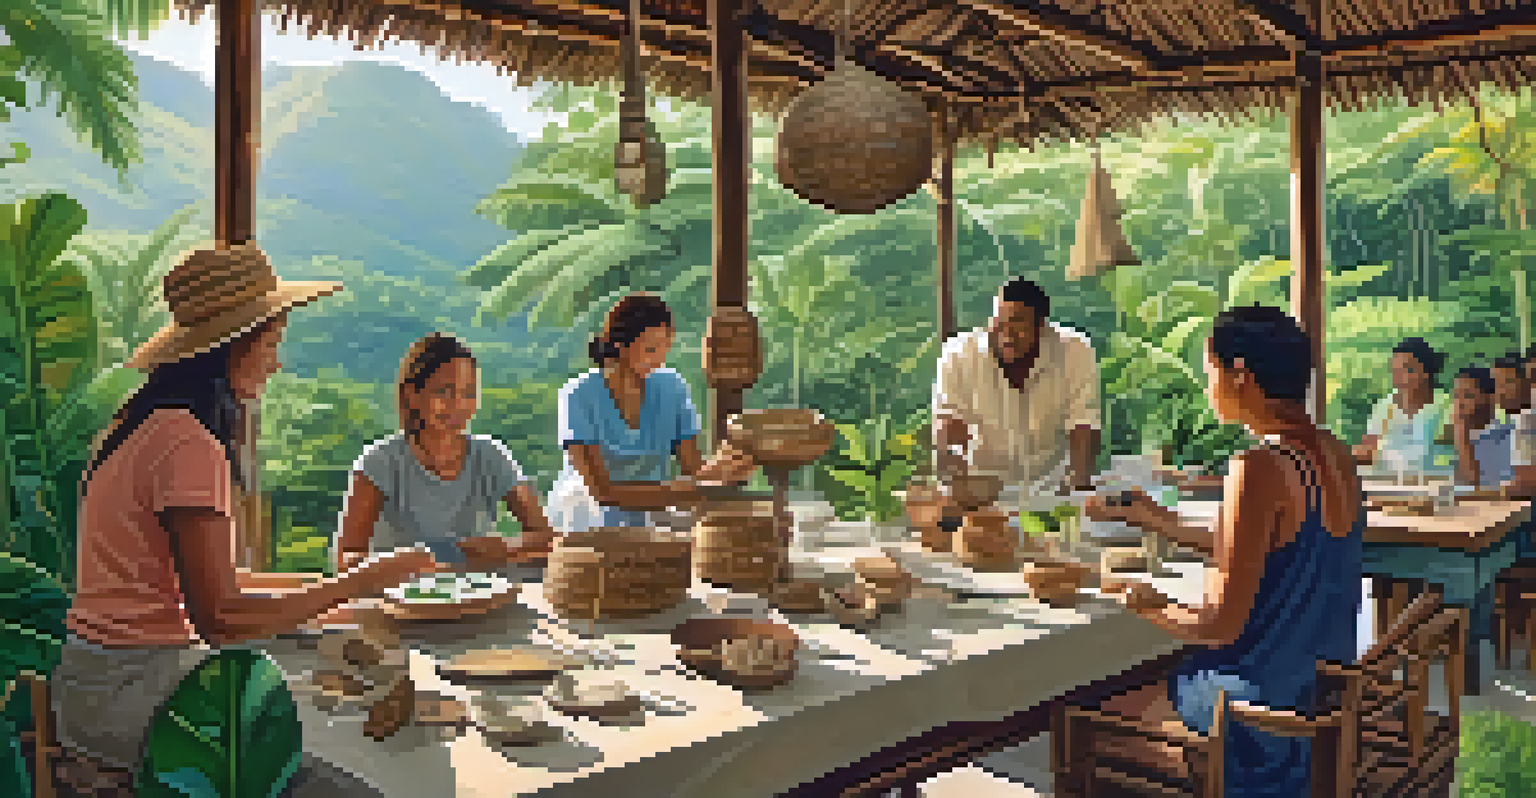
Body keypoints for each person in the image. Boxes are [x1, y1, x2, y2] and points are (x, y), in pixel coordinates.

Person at [55, 244, 439, 797]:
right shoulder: (186, 443)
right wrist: (359, 583)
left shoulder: (138, 424)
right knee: (365, 771)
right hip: (135, 698)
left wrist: (338, 592)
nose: (277, 362)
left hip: (92, 688)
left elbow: (205, 589)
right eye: (272, 343)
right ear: (230, 347)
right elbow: (222, 617)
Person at [1081, 304, 1362, 797]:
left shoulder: (1258, 467)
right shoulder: (1335, 453)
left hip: (1260, 711)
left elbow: (1219, 625)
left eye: (1210, 369)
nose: (1208, 385)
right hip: (1321, 697)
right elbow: (1276, 545)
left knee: (1084, 712)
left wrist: (1143, 602)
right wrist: (1158, 520)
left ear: (1240, 375)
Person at [335, 333, 556, 573]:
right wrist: (416, 562)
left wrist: (504, 546)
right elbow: (346, 560)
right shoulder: (380, 463)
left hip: (478, 595)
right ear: (412, 395)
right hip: (403, 601)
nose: (458, 404)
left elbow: (547, 538)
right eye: (443, 391)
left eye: (469, 393)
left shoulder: (491, 456)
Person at [547, 293, 754, 532]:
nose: (659, 359)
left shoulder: (671, 386)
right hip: (586, 517)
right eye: (651, 349)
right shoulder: (578, 395)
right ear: (619, 344)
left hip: (651, 512)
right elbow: (601, 492)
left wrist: (722, 467)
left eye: (665, 348)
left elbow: (694, 470)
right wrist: (695, 486)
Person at [933, 277, 1100, 493]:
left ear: (1041, 325)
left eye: (1017, 324)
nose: (1007, 336)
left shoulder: (1075, 351)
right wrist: (956, 483)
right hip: (981, 493)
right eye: (999, 324)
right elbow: (949, 426)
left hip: (1053, 489)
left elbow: (1084, 424)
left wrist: (1078, 485)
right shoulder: (958, 355)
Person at [1354, 337, 1452, 473]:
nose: (1399, 377)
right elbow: (1367, 449)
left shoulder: (1448, 406)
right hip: (1389, 483)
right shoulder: (1384, 406)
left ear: (1426, 372)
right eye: (1395, 370)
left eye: (1407, 369)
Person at [1452, 366, 1512, 490]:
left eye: (1468, 395)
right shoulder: (1458, 437)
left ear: (1489, 398)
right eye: (1457, 395)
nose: (1460, 402)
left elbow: (1473, 486)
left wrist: (1461, 430)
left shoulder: (1503, 437)